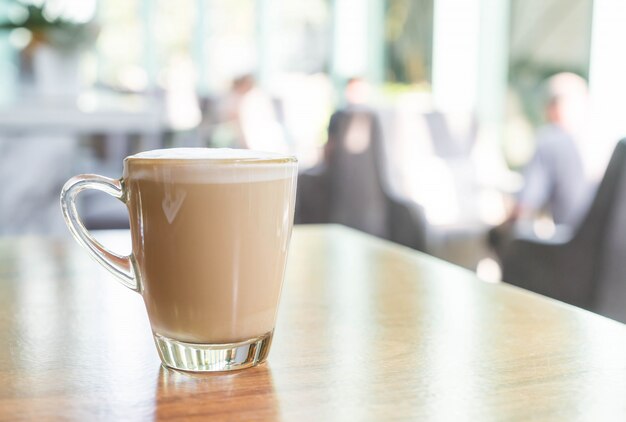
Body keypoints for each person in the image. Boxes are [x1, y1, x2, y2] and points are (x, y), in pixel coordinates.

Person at [490, 73, 596, 250]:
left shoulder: (551, 140)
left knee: (499, 239)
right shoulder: (598, 142)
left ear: (551, 108)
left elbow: (525, 206)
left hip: (571, 249)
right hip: (605, 255)